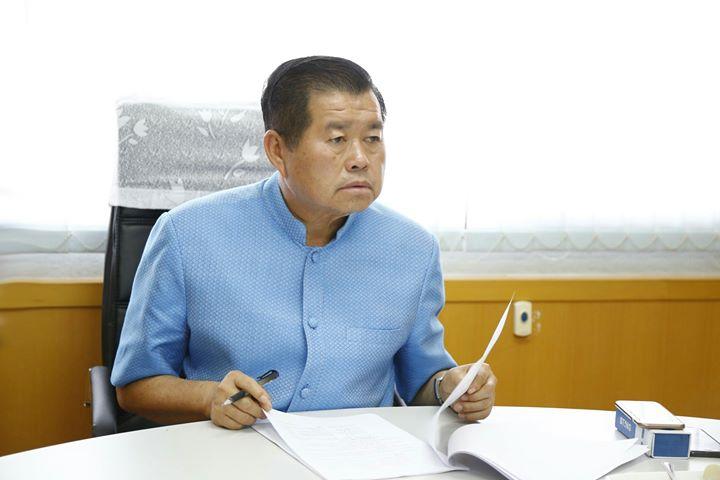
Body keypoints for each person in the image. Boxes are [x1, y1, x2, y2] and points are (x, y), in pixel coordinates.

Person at [112, 56, 497, 430]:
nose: (360, 159)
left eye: (373, 138)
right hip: (235, 452)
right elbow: (135, 389)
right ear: (277, 150)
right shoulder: (187, 234)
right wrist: (208, 398)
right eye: (337, 139)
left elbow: (422, 385)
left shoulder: (413, 249)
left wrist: (452, 388)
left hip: (363, 456)